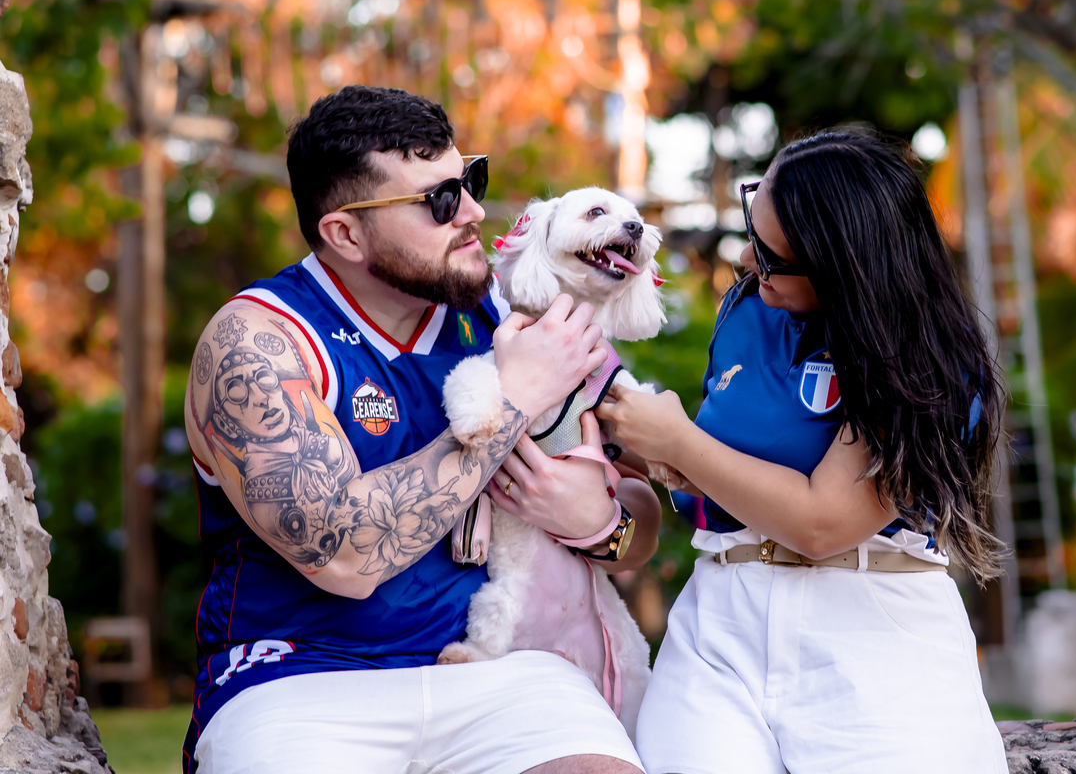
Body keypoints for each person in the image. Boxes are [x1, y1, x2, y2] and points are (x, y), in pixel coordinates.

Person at [181, 85, 660, 774]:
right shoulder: (259, 341)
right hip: (297, 677)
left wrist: (602, 525)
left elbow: (641, 513)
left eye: (471, 181)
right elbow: (342, 556)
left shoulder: (507, 312)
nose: (473, 212)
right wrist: (515, 400)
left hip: (497, 667)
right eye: (439, 201)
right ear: (345, 234)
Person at [597, 131, 1009, 774]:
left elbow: (824, 523)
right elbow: (724, 471)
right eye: (752, 232)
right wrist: (630, 441)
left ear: (843, 264)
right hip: (721, 625)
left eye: (771, 256)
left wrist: (678, 439)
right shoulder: (746, 310)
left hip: (872, 627)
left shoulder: (926, 357)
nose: (748, 260)